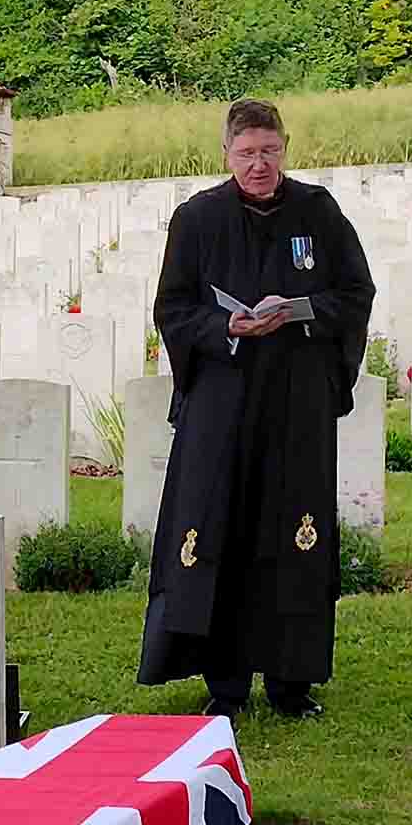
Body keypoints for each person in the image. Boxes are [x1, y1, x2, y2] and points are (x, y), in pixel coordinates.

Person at [138, 100, 376, 719]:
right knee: (220, 525)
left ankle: (292, 683)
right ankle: (226, 685)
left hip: (295, 404)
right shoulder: (197, 219)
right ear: (227, 154)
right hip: (222, 401)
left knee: (293, 529)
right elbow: (174, 307)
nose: (259, 165)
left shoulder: (317, 212)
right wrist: (229, 326)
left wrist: (300, 311)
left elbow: (354, 293)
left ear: (285, 149)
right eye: (247, 154)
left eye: (270, 152)